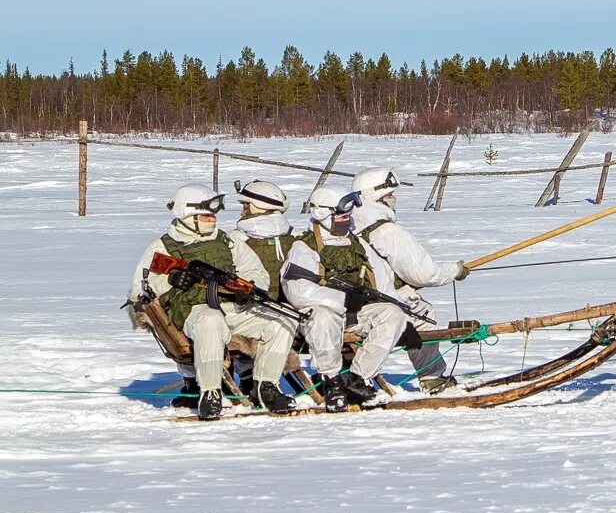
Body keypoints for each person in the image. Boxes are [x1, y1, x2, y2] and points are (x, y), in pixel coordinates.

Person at [127, 184, 297, 420]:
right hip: (193, 312)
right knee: (210, 320)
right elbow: (140, 289)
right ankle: (210, 392)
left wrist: (247, 288)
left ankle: (265, 386)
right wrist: (172, 280)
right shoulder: (163, 247)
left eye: (213, 214)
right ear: (188, 215)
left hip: (234, 308)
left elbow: (256, 272)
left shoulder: (226, 241)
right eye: (206, 214)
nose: (212, 219)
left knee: (283, 321)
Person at [282, 185, 423, 412]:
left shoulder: (358, 243)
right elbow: (298, 292)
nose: (345, 220)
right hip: (318, 315)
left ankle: (359, 379)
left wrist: (405, 322)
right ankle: (332, 382)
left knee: (392, 314)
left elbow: (383, 284)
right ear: (322, 214)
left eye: (347, 215)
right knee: (323, 317)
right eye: (340, 215)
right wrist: (344, 300)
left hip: (358, 312)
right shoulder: (304, 246)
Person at [350, 167, 470, 394]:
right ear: (377, 196)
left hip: (351, 303)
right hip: (375, 306)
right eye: (390, 194)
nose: (394, 199)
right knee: (425, 316)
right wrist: (456, 270)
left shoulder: (349, 223)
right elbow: (424, 274)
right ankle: (431, 377)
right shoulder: (387, 231)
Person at [228, 179, 300, 392]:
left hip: (255, 311)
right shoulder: (296, 237)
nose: (242, 212)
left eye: (245, 206)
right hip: (295, 309)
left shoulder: (236, 239)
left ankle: (248, 374)